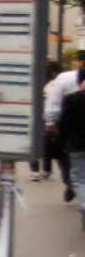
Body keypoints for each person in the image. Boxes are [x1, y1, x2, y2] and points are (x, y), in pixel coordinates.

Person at [43, 51, 85, 199]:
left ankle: (71, 183)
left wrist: (50, 122)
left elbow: (53, 101)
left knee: (64, 156)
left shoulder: (64, 78)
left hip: (67, 126)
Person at [57, 74, 85, 228]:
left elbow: (64, 124)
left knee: (80, 179)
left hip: (78, 146)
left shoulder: (71, 100)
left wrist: (61, 143)